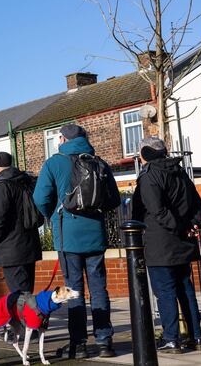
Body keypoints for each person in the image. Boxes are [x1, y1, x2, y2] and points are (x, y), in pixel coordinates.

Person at [32, 123, 120, 359]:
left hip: (67, 234)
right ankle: (104, 342)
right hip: (96, 235)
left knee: (73, 290)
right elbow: (114, 200)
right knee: (99, 289)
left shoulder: (54, 163)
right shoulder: (99, 162)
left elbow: (40, 198)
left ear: (62, 139)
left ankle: (78, 345)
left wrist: (53, 213)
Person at [131, 136, 201, 353]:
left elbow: (157, 211)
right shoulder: (180, 173)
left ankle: (171, 339)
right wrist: (191, 225)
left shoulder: (149, 176)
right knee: (185, 289)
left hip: (160, 244)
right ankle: (197, 337)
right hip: (183, 243)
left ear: (145, 154)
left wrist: (180, 227)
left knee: (165, 292)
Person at [0, 151, 41, 293]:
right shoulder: (26, 182)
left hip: (12, 249)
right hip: (30, 245)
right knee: (27, 292)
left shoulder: (2, 186)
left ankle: (26, 316)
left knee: (19, 296)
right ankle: (30, 315)